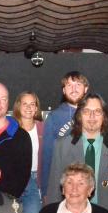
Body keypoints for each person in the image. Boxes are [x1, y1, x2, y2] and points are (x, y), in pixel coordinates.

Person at [46, 93, 108, 213]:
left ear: (104, 116)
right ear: (79, 115)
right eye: (87, 111)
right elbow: (54, 191)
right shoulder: (62, 146)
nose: (92, 117)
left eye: (97, 112)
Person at [41, 71, 89, 201]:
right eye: (69, 85)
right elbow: (47, 156)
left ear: (86, 88)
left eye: (78, 84)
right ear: (64, 90)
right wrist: (45, 190)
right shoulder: (54, 117)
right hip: (63, 186)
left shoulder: (95, 114)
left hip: (90, 184)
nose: (73, 89)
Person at [12, 91, 44, 213]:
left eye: (33, 104)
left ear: (37, 108)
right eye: (25, 103)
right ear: (18, 106)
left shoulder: (43, 128)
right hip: (15, 181)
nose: (29, 107)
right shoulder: (10, 128)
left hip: (37, 180)